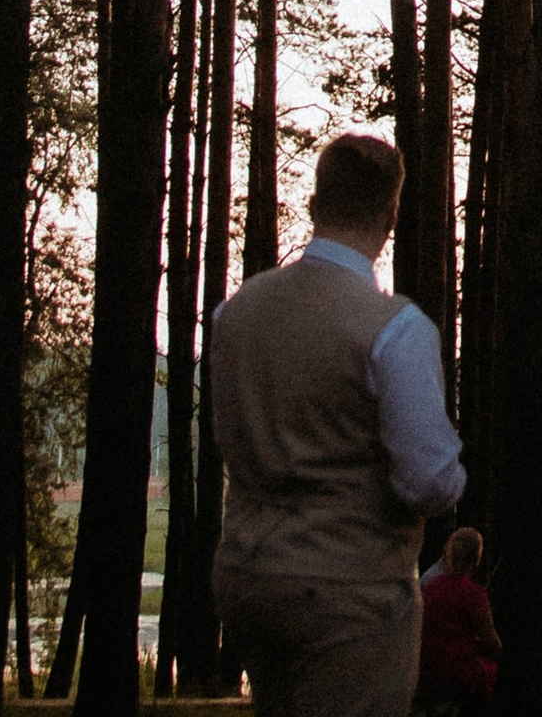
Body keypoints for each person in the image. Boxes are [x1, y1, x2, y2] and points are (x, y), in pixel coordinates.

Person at [210, 132, 467, 717]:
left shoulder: (235, 314)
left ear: (314, 203)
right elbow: (428, 483)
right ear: (391, 215)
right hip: (350, 591)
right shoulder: (395, 329)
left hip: (247, 576)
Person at [418, 528, 502, 712]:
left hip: (425, 671)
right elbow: (492, 644)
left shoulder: (428, 587)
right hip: (457, 676)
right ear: (476, 559)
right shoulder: (473, 595)